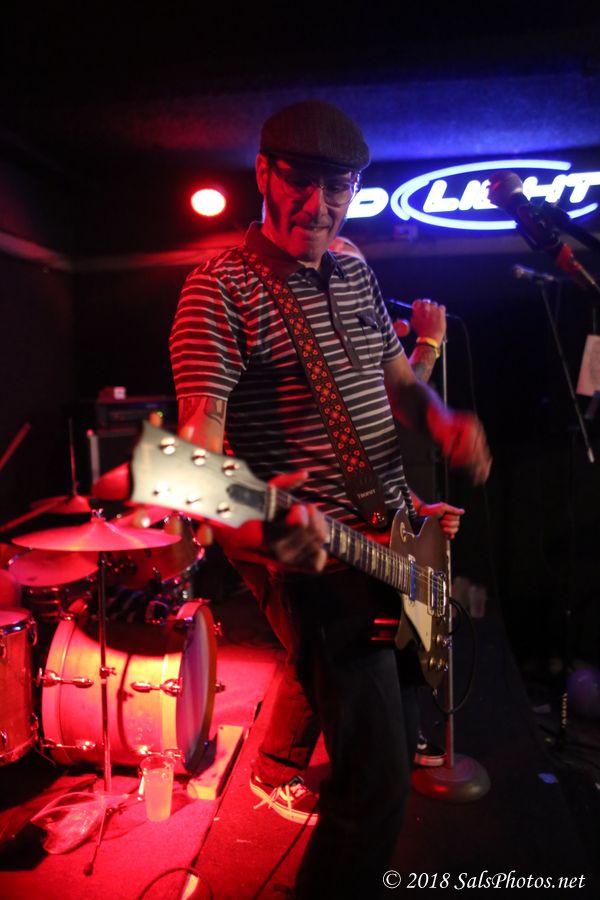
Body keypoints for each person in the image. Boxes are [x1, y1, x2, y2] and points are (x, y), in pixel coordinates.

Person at [169, 99, 491, 898]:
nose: (318, 207)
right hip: (315, 561)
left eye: (338, 186)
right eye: (301, 183)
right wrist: (254, 528)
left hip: (397, 535)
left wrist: (442, 421)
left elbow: (399, 385)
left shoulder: (353, 269)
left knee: (393, 740)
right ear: (264, 174)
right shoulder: (217, 289)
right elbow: (196, 458)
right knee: (372, 787)